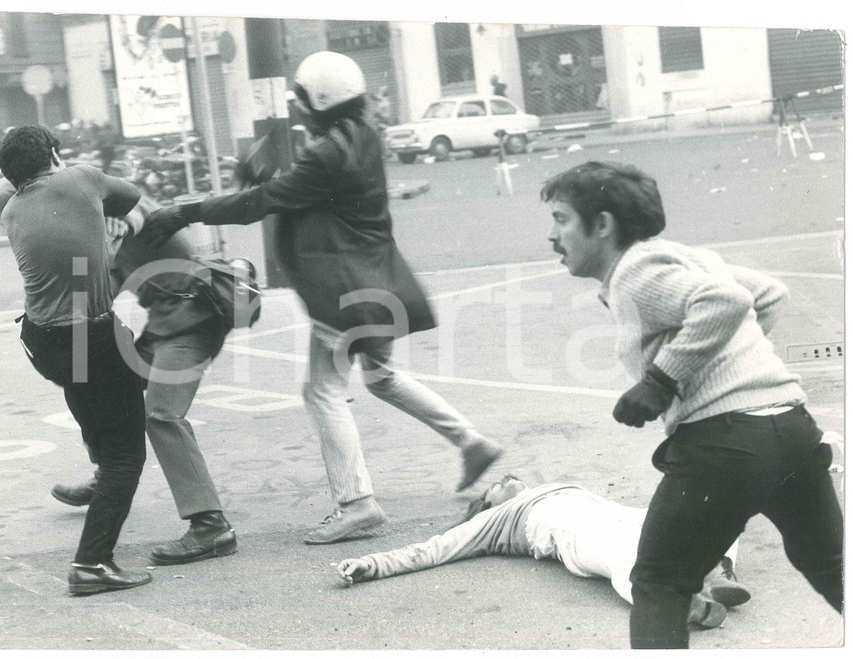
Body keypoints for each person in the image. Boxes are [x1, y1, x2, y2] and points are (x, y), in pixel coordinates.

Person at [138, 51, 503, 545]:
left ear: (320, 101)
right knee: (383, 377)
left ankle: (357, 505)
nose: (299, 108)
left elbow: (262, 203)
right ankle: (470, 441)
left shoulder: (325, 153)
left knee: (322, 391)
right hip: (381, 283)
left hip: (347, 291)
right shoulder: (361, 138)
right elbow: (298, 194)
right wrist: (266, 181)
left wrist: (184, 211)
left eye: (303, 99)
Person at [542, 161, 844, 648]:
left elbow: (725, 302)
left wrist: (662, 380)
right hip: (792, 428)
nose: (551, 237)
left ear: (602, 225)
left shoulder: (634, 274)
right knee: (831, 564)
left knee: (659, 583)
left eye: (560, 219)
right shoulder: (682, 256)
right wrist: (729, 367)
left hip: (722, 446)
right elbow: (766, 294)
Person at [0, 181, 241, 568]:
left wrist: (121, 227)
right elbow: (98, 295)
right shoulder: (92, 234)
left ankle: (210, 524)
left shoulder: (114, 209)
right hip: (163, 324)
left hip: (198, 316)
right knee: (87, 379)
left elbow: (141, 213)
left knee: (161, 415)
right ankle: (107, 471)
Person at [0, 125, 150, 595]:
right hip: (92, 335)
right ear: (55, 157)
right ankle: (91, 564)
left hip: (45, 342)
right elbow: (132, 196)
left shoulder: (11, 210)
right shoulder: (81, 178)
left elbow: (67, 247)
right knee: (129, 452)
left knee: (90, 398)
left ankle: (98, 476)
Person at [337, 474, 751, 630]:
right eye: (496, 485)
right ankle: (687, 605)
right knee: (628, 558)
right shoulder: (492, 522)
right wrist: (371, 564)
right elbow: (433, 550)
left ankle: (718, 572)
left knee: (708, 512)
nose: (506, 477)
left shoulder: (550, 485)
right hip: (571, 532)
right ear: (488, 504)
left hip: (619, 513)